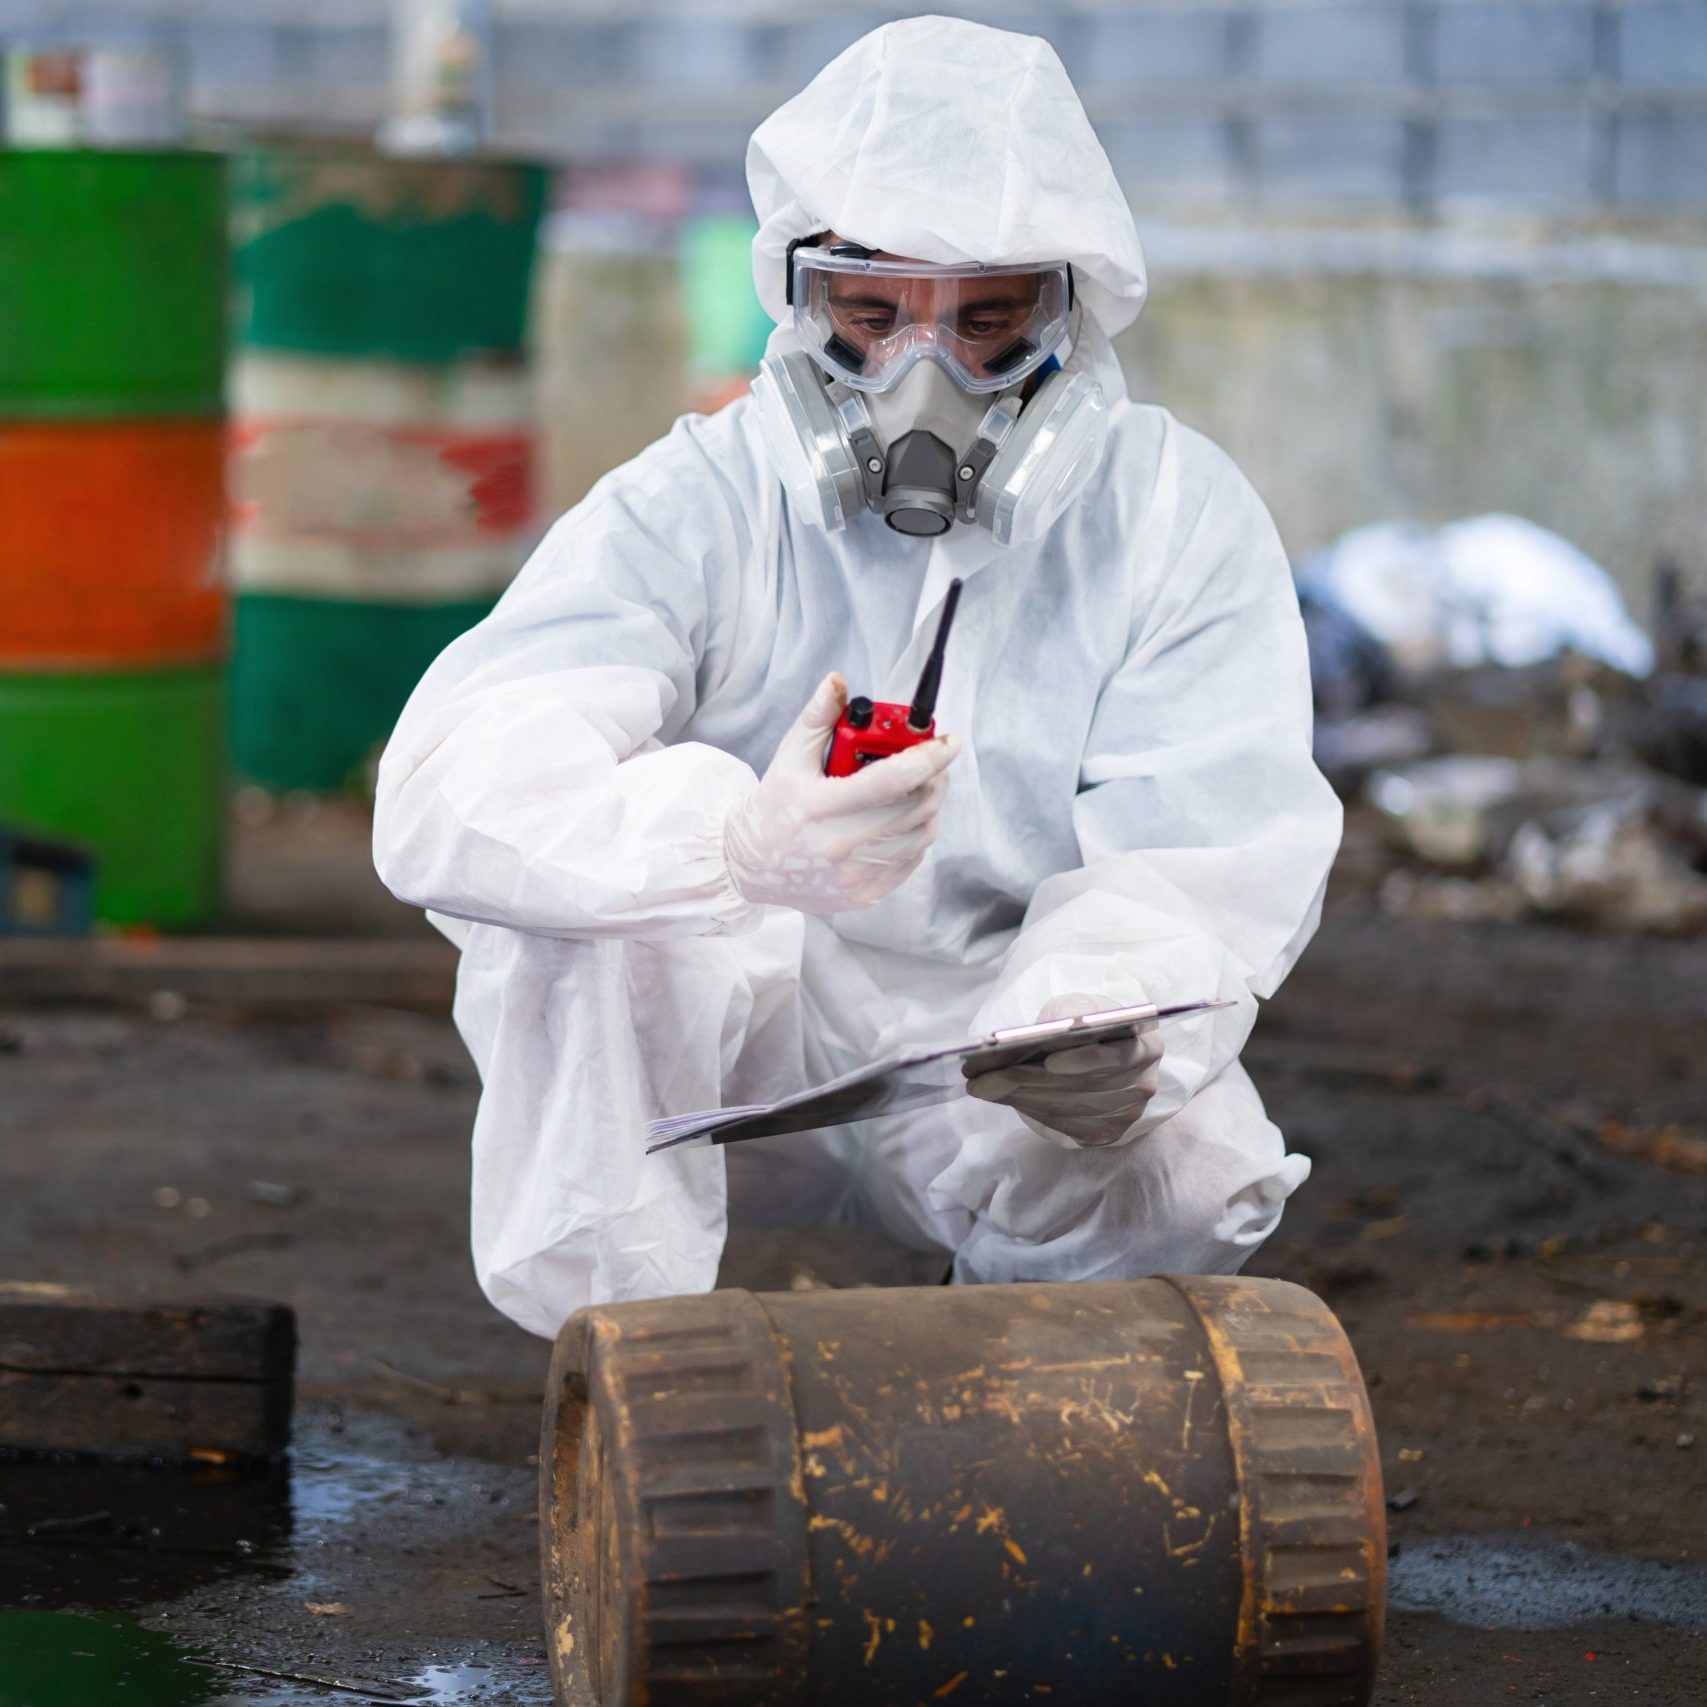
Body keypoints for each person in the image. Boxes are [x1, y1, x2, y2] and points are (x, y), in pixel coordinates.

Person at [372, 16, 1342, 1339]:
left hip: (987, 1054)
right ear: (802, 297)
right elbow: (453, 783)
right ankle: (629, 1367)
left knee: (1197, 1167)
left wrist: (1100, 1009)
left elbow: (1204, 835)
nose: (922, 378)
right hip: (727, 1036)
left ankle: (1002, 1391)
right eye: (874, 316)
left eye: (989, 322)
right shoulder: (700, 501)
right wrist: (731, 843)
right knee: (574, 921)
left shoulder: (1169, 515)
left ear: (1074, 308)